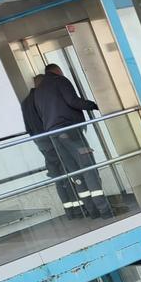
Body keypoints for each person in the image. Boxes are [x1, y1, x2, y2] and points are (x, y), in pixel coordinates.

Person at [32, 63, 112, 218]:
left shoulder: (39, 91)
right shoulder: (60, 81)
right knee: (88, 167)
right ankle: (105, 210)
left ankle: (92, 211)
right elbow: (73, 101)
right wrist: (95, 105)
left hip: (54, 135)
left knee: (76, 172)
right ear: (58, 71)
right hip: (70, 131)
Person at [21, 74, 81, 217]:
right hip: (52, 139)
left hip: (41, 143)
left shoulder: (25, 102)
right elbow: (47, 119)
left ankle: (70, 211)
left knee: (58, 177)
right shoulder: (41, 98)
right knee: (68, 171)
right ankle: (79, 209)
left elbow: (28, 127)